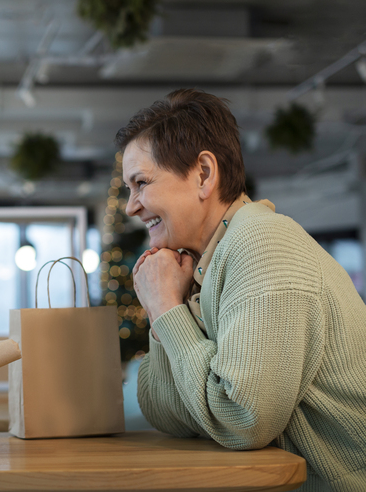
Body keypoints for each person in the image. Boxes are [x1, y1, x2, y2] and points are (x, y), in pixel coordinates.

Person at [118, 89, 366, 491]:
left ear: (203, 174)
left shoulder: (264, 244)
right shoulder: (200, 265)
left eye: (141, 183)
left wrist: (164, 307)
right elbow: (165, 410)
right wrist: (168, 301)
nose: (131, 206)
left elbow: (243, 419)